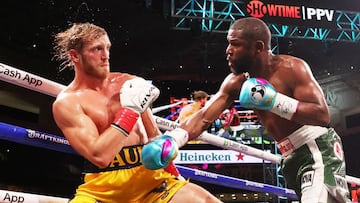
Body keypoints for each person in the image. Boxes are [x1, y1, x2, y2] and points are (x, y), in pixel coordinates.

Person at [142, 17, 351, 203]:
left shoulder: (292, 68)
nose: (228, 50)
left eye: (235, 44)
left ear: (258, 47)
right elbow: (204, 117)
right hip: (291, 156)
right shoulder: (236, 82)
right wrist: (173, 139)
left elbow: (322, 115)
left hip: (316, 148)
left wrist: (273, 101)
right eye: (228, 44)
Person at [52, 22, 222, 203]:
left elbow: (154, 136)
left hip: (152, 183)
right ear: (75, 56)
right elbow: (99, 156)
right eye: (97, 49)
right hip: (103, 192)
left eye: (107, 48)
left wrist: (173, 171)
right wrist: (130, 111)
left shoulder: (128, 83)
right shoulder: (67, 103)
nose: (105, 56)